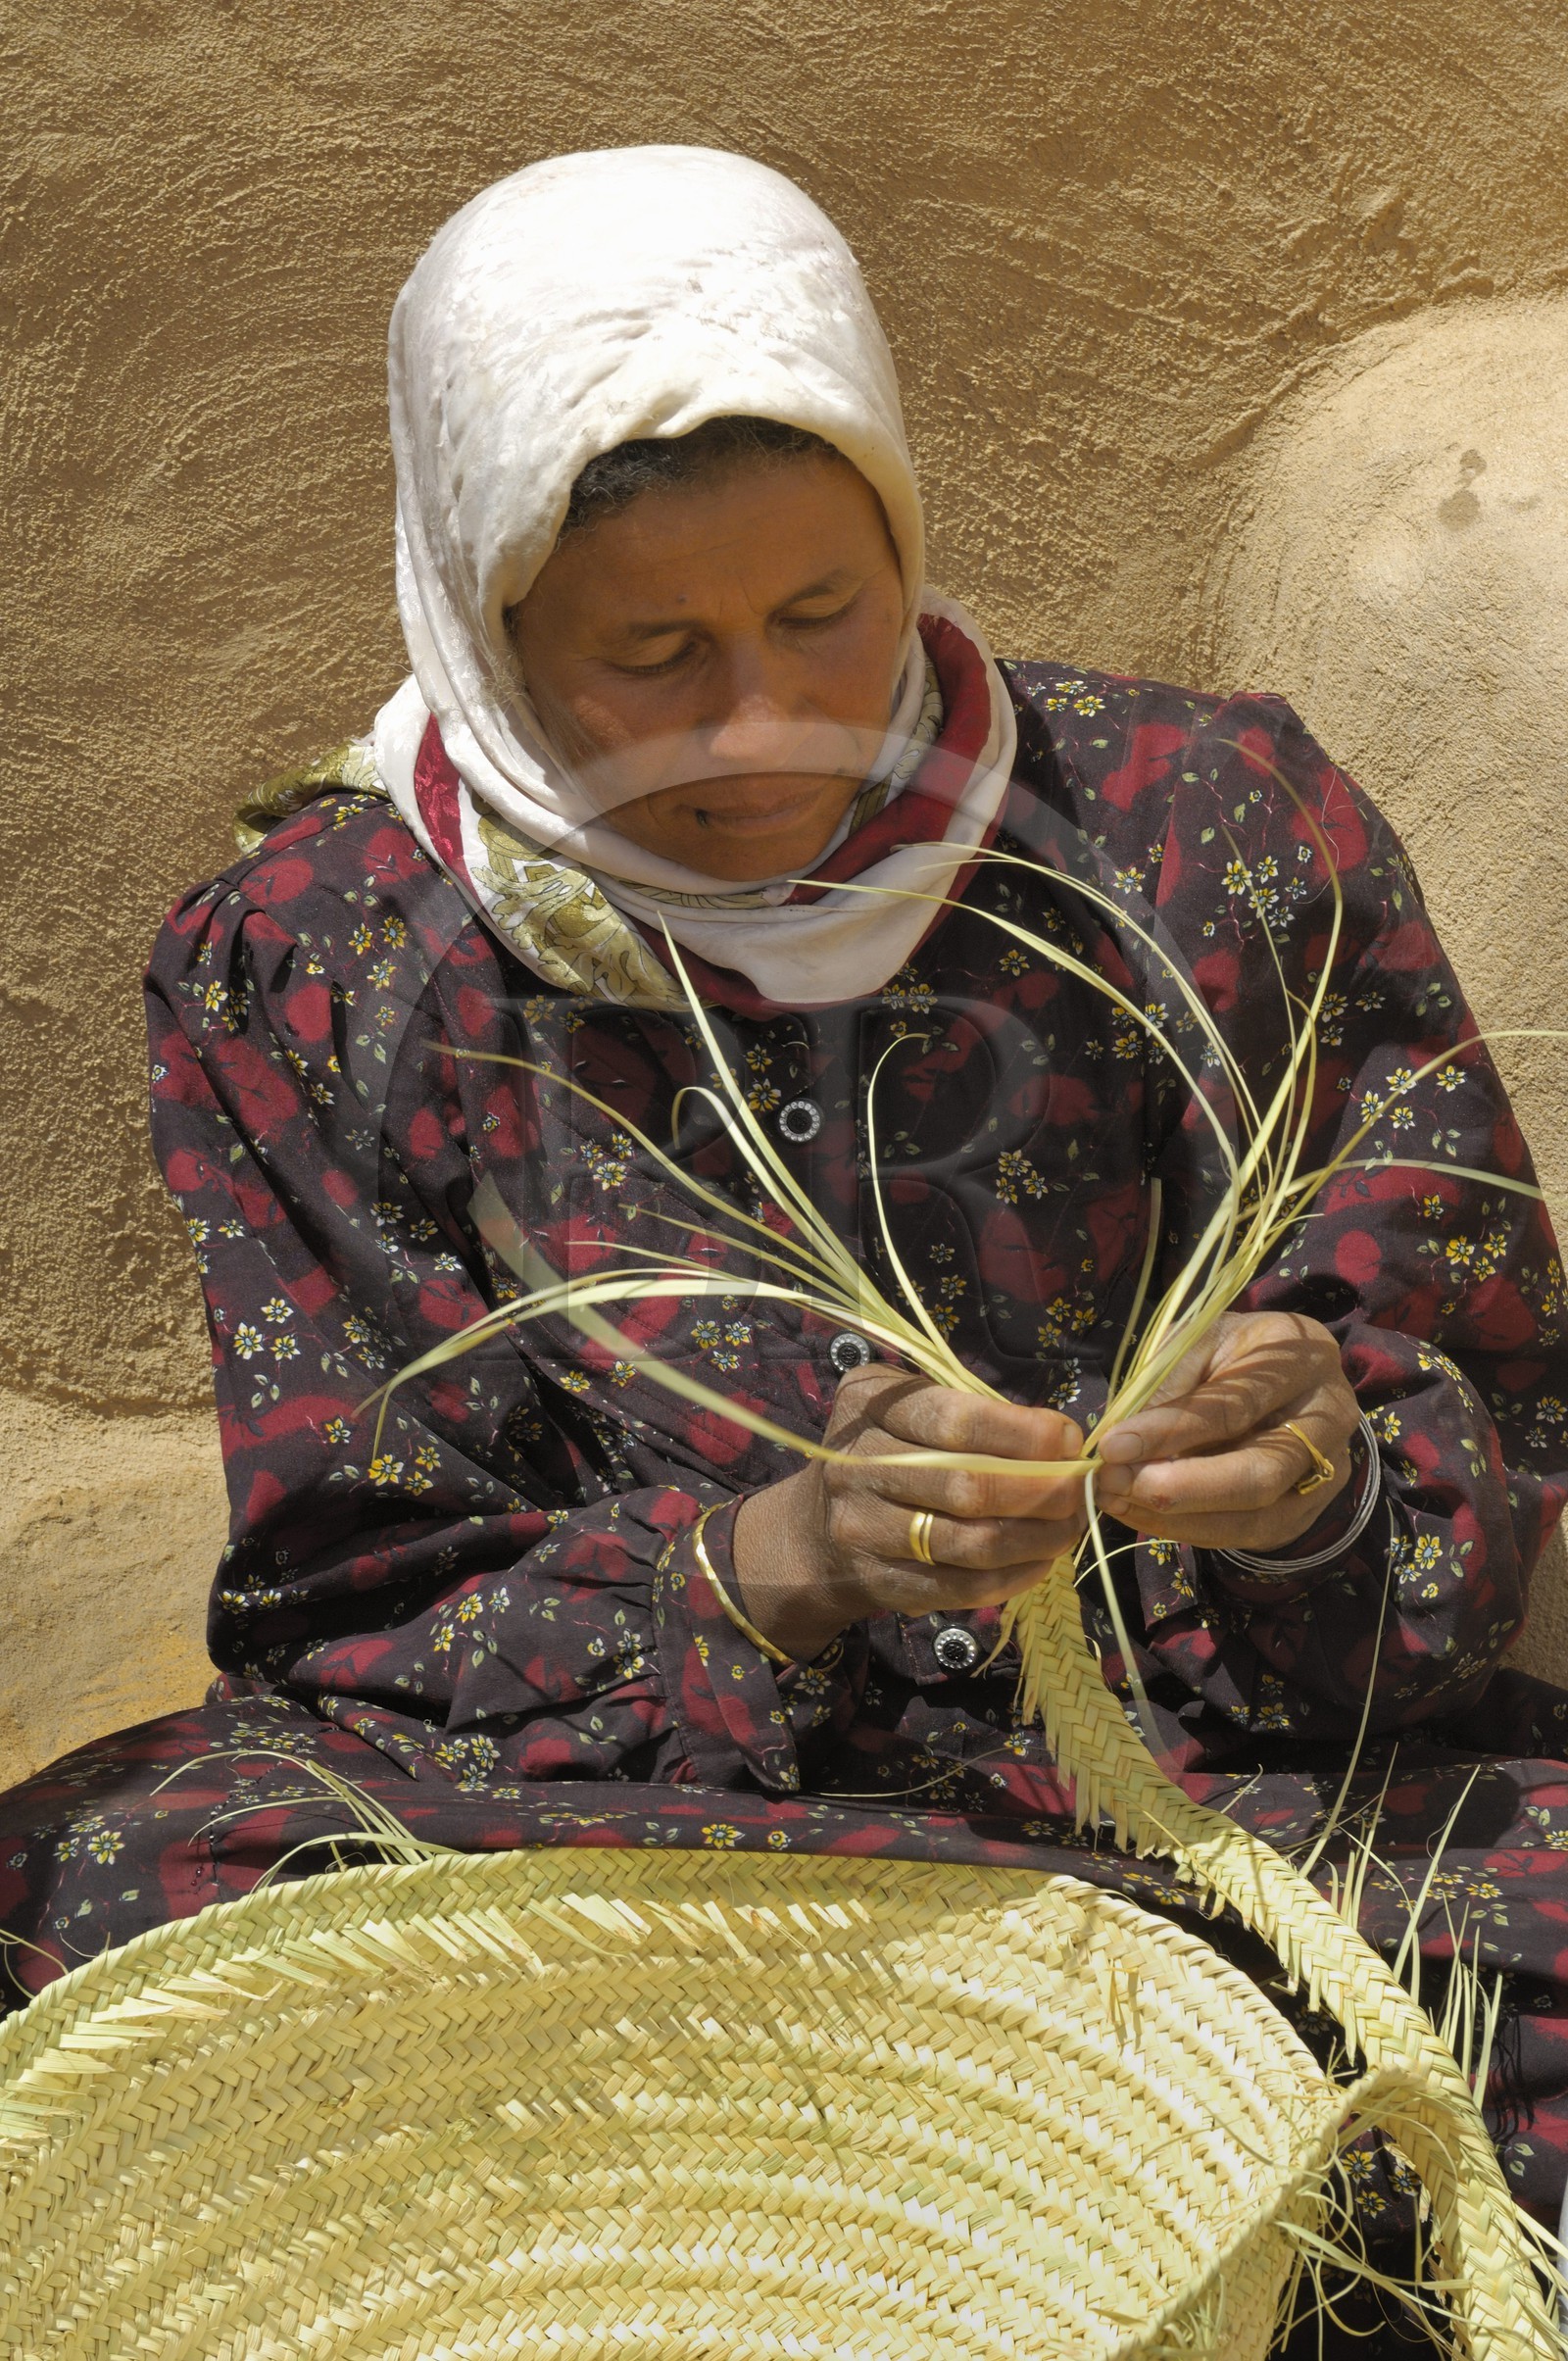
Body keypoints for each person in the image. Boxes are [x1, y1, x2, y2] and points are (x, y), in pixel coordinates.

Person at [5, 146, 1568, 2338]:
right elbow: (350, 1588)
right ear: (471, 610)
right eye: (647, 655)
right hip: (663, 1827)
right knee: (119, 1900)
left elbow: (1471, 1394)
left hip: (1241, 1796)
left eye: (820, 614)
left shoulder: (1209, 831)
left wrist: (1314, 1484)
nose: (759, 724)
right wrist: (773, 1563)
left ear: (906, 543)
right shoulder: (318, 956)